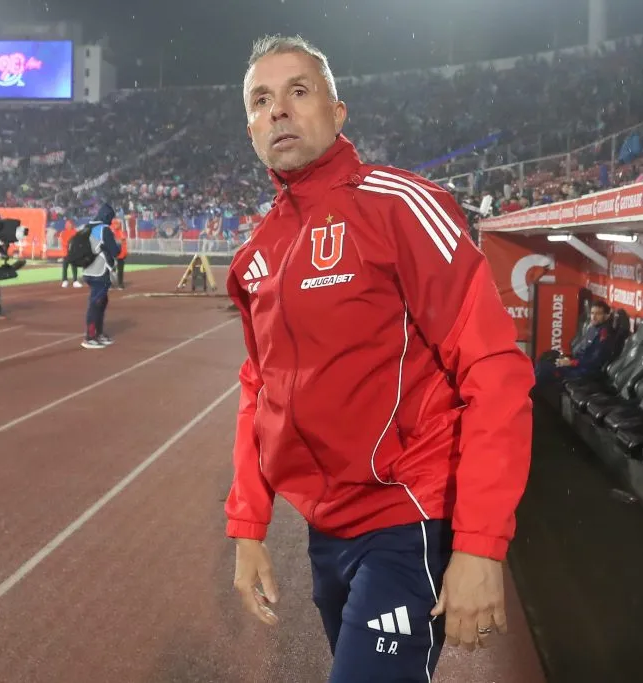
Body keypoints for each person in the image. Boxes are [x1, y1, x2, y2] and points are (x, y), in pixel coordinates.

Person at [225, 35, 535, 682]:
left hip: (407, 517)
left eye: (298, 90)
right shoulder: (257, 253)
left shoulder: (399, 205)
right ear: (251, 127)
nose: (278, 109)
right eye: (262, 99)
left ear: (338, 112)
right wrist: (249, 524)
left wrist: (480, 542)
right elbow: (261, 388)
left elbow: (493, 368)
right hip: (326, 531)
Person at [534, 301, 612, 385]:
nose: (594, 317)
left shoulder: (604, 333)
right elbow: (582, 351)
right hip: (577, 365)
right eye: (592, 313)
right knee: (543, 363)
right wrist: (568, 360)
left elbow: (595, 361)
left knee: (544, 370)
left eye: (598, 314)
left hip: (586, 371)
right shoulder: (592, 328)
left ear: (606, 316)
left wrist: (571, 362)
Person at [79, 203, 120, 349]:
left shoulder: (86, 227)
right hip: (100, 270)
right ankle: (90, 336)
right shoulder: (104, 230)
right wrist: (118, 246)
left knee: (101, 301)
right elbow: (115, 251)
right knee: (96, 303)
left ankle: (98, 333)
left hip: (87, 270)